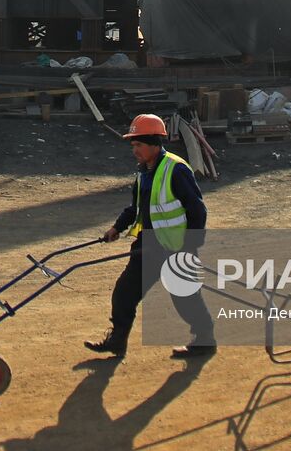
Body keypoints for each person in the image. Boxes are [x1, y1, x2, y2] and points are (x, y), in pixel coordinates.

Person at [85, 113, 216, 359]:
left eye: (139, 145)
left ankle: (205, 340)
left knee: (185, 296)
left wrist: (190, 246)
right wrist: (117, 228)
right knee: (124, 292)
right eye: (133, 145)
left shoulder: (175, 170)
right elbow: (136, 208)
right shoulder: (144, 171)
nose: (135, 150)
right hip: (148, 245)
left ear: (155, 143)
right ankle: (117, 340)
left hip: (177, 246)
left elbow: (198, 210)